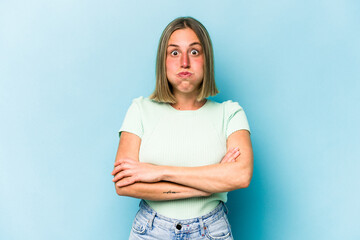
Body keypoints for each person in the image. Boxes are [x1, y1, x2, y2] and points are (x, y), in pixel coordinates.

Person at [111, 16, 253, 240]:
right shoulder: (140, 110)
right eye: (174, 52)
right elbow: (124, 184)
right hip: (150, 231)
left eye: (194, 52)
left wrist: (158, 172)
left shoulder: (230, 113)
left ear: (207, 60)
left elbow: (241, 175)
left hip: (211, 231)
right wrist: (209, 185)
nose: (184, 62)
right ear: (163, 61)